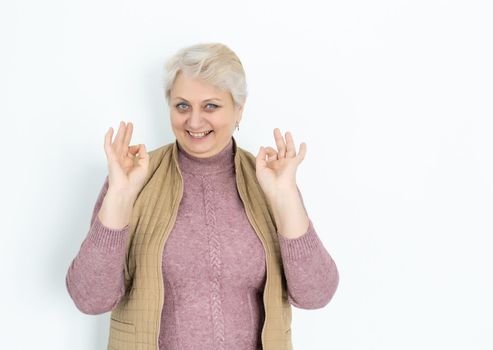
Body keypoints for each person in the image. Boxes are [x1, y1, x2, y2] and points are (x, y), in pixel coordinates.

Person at [65, 42, 339, 350]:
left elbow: (316, 295)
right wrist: (119, 195)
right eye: (182, 106)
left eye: (211, 106)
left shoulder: (270, 181)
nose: (194, 122)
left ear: (239, 108)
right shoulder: (133, 177)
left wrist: (286, 197)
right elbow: (89, 299)